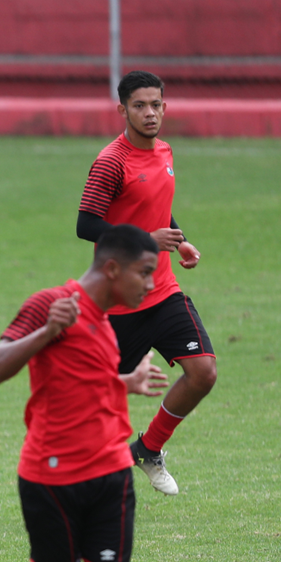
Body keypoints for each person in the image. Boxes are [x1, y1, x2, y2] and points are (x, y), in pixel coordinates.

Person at [0, 225, 169, 562]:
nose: (150, 284)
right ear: (112, 267)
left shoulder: (106, 322)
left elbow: (80, 382)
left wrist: (124, 383)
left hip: (110, 474)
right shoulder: (53, 304)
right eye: (144, 273)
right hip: (52, 481)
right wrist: (48, 331)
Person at [76, 70, 217, 495]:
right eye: (140, 105)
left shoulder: (166, 151)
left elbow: (155, 209)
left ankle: (148, 449)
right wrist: (144, 241)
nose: (150, 113)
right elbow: (86, 225)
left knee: (203, 373)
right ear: (123, 110)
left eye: (156, 104)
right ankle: (72, 479)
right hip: (117, 301)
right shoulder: (110, 161)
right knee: (93, 405)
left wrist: (181, 241)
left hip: (163, 291)